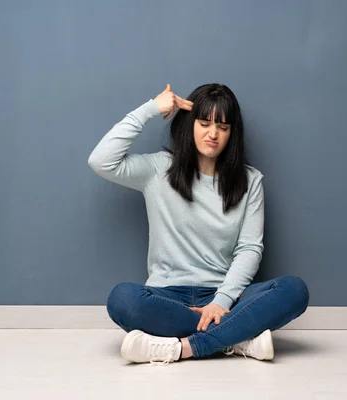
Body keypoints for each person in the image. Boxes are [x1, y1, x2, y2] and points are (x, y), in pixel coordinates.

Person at [88, 83, 309, 364]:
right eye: (204, 124)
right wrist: (151, 108)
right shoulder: (158, 170)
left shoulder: (250, 181)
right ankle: (237, 339)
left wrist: (221, 302)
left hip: (226, 298)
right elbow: (101, 161)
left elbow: (250, 249)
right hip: (167, 296)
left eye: (223, 127)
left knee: (294, 290)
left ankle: (184, 348)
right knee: (122, 299)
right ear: (190, 124)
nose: (213, 134)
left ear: (233, 133)